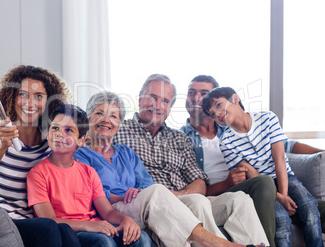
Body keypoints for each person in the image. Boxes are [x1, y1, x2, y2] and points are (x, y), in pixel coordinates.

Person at [75, 91, 267, 247]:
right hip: (115, 208)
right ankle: (220, 244)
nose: (106, 120)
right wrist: (125, 195)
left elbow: (146, 183)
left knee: (209, 200)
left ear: (119, 124)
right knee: (157, 191)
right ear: (88, 117)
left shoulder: (125, 152)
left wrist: (141, 192)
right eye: (99, 113)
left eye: (113, 116)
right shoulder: (79, 154)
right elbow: (87, 193)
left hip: (144, 202)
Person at [181, 75, 325, 246]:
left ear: (234, 99)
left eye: (204, 93)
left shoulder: (243, 122)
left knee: (310, 207)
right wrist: (227, 183)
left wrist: (321, 152)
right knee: (269, 193)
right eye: (191, 92)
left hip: (275, 181)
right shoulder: (182, 137)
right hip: (239, 188)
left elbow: (285, 146)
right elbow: (196, 186)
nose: (197, 98)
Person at [0, 65, 80, 247]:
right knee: (49, 228)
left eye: (38, 96)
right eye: (23, 94)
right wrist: (2, 146)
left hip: (23, 220)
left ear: (49, 101)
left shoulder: (49, 144)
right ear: (12, 97)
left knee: (64, 229)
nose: (30, 103)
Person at [27, 104, 150, 247]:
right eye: (55, 128)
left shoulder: (88, 172)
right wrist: (88, 226)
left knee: (141, 237)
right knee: (104, 242)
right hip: (69, 232)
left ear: (81, 140)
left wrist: (125, 220)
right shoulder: (38, 174)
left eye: (68, 130)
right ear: (47, 133)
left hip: (96, 228)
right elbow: (48, 220)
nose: (59, 133)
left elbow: (108, 212)